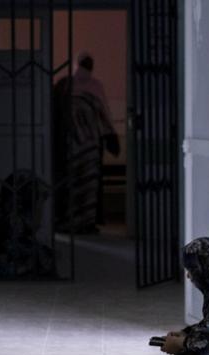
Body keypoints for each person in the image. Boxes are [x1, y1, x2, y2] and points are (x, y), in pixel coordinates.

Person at [53, 51, 120, 234]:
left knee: (87, 184)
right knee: (74, 183)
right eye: (86, 64)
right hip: (74, 144)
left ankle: (84, 222)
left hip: (86, 145)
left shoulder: (87, 85)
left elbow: (103, 112)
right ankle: (72, 221)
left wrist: (109, 136)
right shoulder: (65, 85)